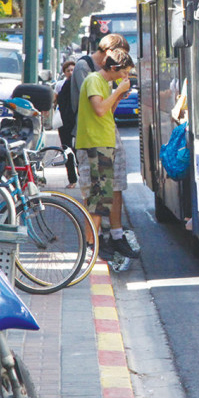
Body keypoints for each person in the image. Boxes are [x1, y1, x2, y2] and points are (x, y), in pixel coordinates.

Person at [72, 34, 139, 261]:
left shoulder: (104, 82)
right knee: (96, 199)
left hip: (104, 142)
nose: (125, 77)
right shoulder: (93, 79)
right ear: (115, 67)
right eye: (124, 72)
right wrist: (118, 92)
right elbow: (99, 109)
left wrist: (118, 97)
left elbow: (106, 112)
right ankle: (93, 244)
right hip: (94, 143)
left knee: (102, 198)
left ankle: (98, 243)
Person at [54, 60, 77, 188]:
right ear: (64, 73)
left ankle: (82, 175)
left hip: (76, 121)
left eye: (72, 70)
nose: (70, 72)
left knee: (79, 150)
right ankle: (72, 179)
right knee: (67, 149)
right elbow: (55, 101)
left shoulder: (79, 84)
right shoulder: (60, 85)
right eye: (68, 70)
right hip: (63, 121)